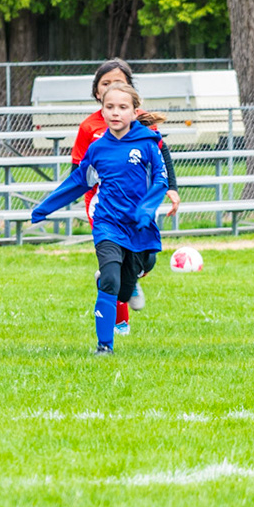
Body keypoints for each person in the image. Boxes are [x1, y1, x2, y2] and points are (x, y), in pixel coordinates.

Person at [32, 83, 168, 355]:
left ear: (133, 111)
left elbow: (161, 181)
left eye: (122, 107)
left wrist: (145, 210)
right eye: (109, 107)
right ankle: (104, 346)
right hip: (107, 223)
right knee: (110, 281)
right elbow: (78, 181)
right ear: (102, 110)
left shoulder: (148, 143)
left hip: (138, 226)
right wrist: (46, 206)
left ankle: (131, 276)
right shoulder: (97, 149)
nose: (115, 113)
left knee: (125, 287)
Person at [69, 59, 179, 336]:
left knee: (147, 259)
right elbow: (78, 168)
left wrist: (171, 188)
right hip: (103, 207)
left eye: (120, 84)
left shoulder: (139, 122)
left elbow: (162, 156)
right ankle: (119, 323)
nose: (113, 88)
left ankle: (134, 278)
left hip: (137, 203)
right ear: (97, 92)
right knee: (113, 265)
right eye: (106, 84)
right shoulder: (89, 128)